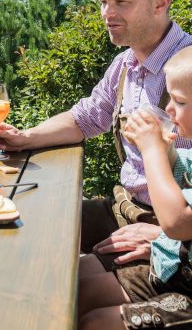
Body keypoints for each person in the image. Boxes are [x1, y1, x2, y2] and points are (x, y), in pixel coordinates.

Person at [0, 0, 192, 269]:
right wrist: (25, 137)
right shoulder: (125, 64)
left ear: (160, 2)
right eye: (103, 3)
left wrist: (171, 239)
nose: (107, 14)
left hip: (169, 231)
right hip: (125, 207)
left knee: (59, 279)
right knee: (25, 225)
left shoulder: (187, 71)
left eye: (121, 2)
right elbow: (86, 118)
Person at [78, 46, 192, 329]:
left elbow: (177, 222)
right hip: (173, 268)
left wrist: (152, 150)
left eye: (179, 101)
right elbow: (179, 176)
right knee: (79, 292)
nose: (168, 109)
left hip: (187, 288)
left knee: (95, 323)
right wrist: (164, 150)